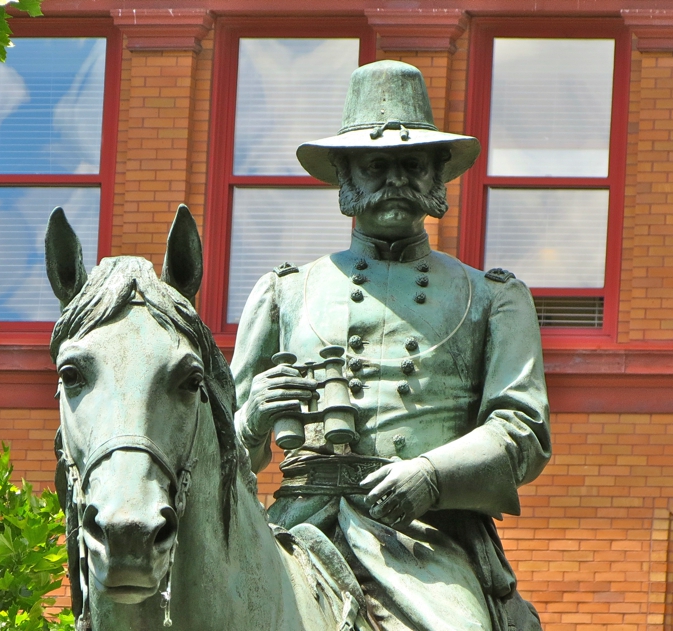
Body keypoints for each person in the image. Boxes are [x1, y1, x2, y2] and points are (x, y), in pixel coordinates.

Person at [231, 60, 551, 631]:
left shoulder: (494, 298)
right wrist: (252, 417)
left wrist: (431, 474)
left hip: (423, 541)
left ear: (437, 177)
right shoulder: (283, 293)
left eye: (412, 165)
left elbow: (522, 433)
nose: (395, 181)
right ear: (347, 176)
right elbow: (213, 449)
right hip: (296, 525)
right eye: (377, 165)